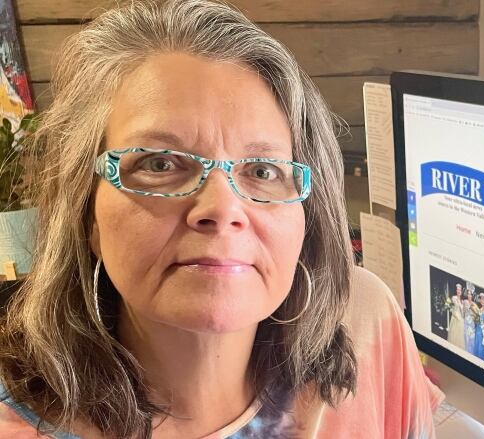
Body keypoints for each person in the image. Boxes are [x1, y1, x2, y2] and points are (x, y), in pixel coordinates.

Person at [0, 1, 442, 438]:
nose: (222, 209)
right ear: (86, 214)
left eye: (262, 171)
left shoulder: (366, 322)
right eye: (159, 164)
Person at [446, 283, 465, 350]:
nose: (458, 291)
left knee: (460, 338)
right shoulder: (454, 298)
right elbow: (452, 308)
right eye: (457, 289)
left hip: (461, 320)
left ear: (461, 291)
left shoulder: (462, 301)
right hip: (455, 319)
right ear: (456, 290)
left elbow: (463, 313)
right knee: (454, 336)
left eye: (460, 290)